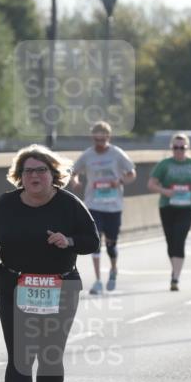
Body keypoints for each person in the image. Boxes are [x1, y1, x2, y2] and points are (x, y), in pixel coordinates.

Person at [0, 145, 99, 382]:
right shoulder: (5, 204)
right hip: (15, 285)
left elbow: (92, 241)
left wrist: (68, 240)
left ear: (53, 174)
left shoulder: (69, 205)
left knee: (49, 354)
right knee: (20, 355)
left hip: (60, 287)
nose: (34, 176)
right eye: (28, 171)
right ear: (20, 176)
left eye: (41, 170)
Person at [69, 122, 137, 295]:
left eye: (102, 139)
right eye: (96, 139)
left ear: (108, 137)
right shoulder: (87, 155)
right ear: (92, 138)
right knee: (96, 242)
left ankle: (113, 269)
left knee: (111, 244)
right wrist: (75, 182)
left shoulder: (116, 153)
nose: (99, 142)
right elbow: (73, 171)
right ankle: (98, 280)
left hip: (113, 206)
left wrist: (119, 181)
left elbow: (131, 173)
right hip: (94, 205)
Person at [148, 133, 191, 291]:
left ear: (187, 148)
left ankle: (175, 278)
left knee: (180, 238)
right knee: (170, 241)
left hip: (187, 207)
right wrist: (165, 191)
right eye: (176, 147)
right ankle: (175, 269)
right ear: (171, 148)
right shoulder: (164, 164)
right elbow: (151, 184)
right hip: (167, 206)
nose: (179, 150)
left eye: (182, 148)